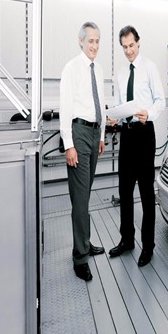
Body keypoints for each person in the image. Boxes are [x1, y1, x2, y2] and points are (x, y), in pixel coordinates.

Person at [108, 25, 165, 267]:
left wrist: (148, 113)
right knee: (124, 190)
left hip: (144, 133)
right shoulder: (121, 73)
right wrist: (115, 117)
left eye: (131, 45)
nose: (128, 51)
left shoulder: (150, 68)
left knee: (146, 193)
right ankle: (127, 240)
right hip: (127, 134)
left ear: (138, 43)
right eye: (124, 47)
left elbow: (160, 100)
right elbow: (120, 103)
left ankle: (148, 246)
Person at [60, 21, 106, 281]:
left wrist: (101, 135)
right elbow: (66, 107)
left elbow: (100, 103)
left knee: (85, 195)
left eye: (97, 41)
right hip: (78, 133)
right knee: (79, 199)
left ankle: (85, 243)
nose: (94, 46)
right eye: (90, 41)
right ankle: (80, 257)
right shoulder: (72, 68)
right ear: (80, 41)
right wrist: (69, 144)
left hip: (94, 133)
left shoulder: (98, 69)